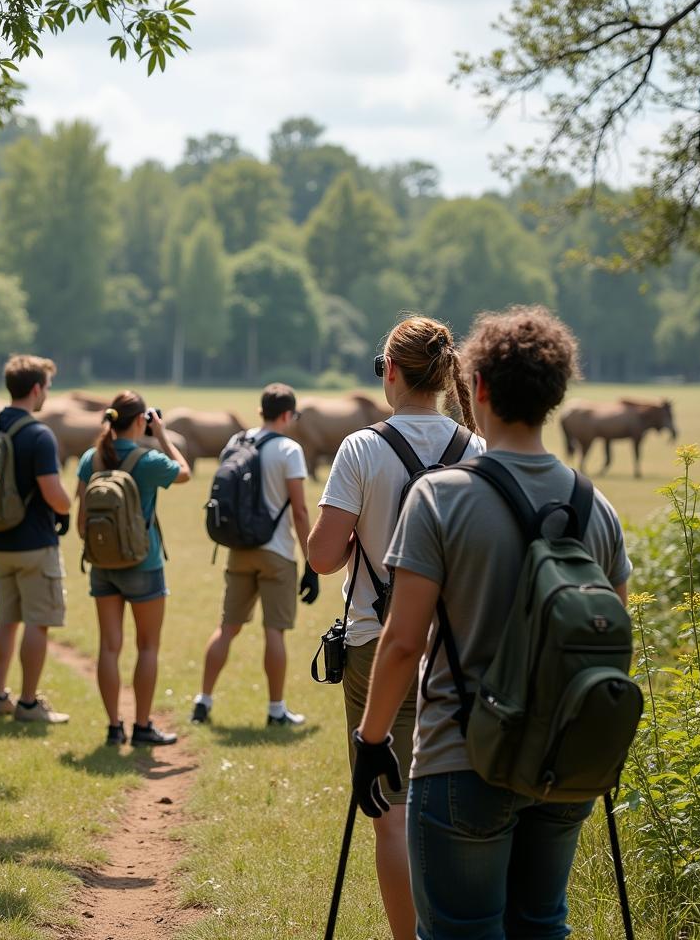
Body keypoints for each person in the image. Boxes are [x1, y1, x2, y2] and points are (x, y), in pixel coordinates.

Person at [351, 305, 631, 939]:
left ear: (474, 388)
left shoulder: (441, 496)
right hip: (565, 764)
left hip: (461, 760)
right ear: (557, 396)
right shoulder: (598, 507)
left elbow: (401, 643)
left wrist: (372, 745)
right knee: (541, 926)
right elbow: (613, 643)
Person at [307, 316, 483, 940]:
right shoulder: (476, 449)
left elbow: (324, 557)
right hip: (459, 649)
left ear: (389, 370)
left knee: (390, 808)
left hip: (375, 642)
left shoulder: (362, 448)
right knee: (459, 802)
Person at [191, 383, 316, 728]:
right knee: (274, 632)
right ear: (288, 414)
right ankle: (276, 710)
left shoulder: (236, 442)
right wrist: (312, 564)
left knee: (227, 628)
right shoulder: (289, 449)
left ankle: (203, 700)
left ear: (261, 410)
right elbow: (300, 512)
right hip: (276, 552)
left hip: (239, 549)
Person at [76, 391, 191, 746]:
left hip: (102, 565)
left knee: (109, 647)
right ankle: (142, 727)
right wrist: (162, 435)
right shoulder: (150, 459)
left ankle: (113, 728)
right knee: (147, 647)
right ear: (141, 420)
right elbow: (185, 473)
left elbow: (81, 521)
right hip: (145, 564)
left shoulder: (91, 457)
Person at [0, 355, 73, 724]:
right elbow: (53, 493)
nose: (46, 396)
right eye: (47, 388)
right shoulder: (39, 434)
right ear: (36, 389)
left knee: (7, 620)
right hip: (35, 543)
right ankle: (28, 704)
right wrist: (68, 508)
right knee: (38, 622)